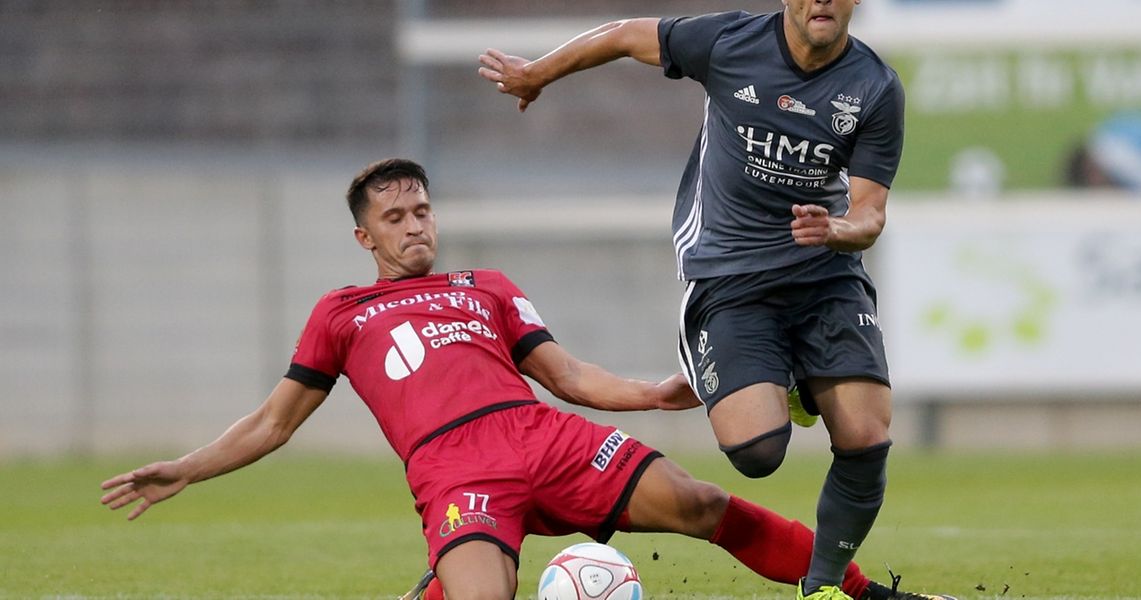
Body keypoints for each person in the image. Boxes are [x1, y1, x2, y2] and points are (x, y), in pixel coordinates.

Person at [100, 159, 948, 600]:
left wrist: (653, 395)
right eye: (393, 218)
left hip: (545, 437)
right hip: (455, 471)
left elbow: (565, 373)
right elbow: (273, 422)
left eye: (421, 210)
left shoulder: (488, 287)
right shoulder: (341, 312)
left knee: (702, 506)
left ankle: (861, 591)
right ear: (365, 238)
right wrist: (188, 466)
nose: (414, 227)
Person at [478, 2, 922, 599]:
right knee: (757, 452)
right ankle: (787, 376)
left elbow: (869, 212)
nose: (821, 2)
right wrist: (539, 74)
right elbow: (626, 35)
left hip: (824, 273)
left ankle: (819, 590)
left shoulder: (873, 87)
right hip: (730, 272)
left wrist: (837, 230)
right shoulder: (730, 41)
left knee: (866, 438)